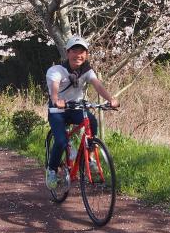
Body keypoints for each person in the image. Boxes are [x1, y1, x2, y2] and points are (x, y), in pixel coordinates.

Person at [45, 35, 119, 189]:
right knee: (61, 141)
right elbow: (54, 86)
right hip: (57, 111)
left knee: (91, 121)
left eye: (82, 52)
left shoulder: (87, 71)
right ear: (67, 53)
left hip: (76, 108)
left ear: (86, 55)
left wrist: (110, 99)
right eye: (74, 51)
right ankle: (52, 170)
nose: (78, 55)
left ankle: (89, 157)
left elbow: (97, 85)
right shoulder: (57, 70)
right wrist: (56, 99)